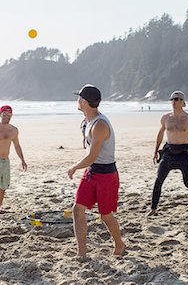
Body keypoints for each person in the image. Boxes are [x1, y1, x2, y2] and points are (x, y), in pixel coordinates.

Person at [68, 84, 126, 258]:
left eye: (79, 98)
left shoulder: (100, 126)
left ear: (84, 102)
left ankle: (120, 245)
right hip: (92, 172)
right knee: (77, 210)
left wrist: (73, 167)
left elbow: (91, 157)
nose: (77, 100)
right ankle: (82, 254)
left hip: (106, 175)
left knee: (106, 216)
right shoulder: (88, 121)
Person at [148, 91, 188, 216]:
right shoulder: (166, 118)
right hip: (169, 152)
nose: (174, 101)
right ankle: (153, 209)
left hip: (184, 152)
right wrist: (155, 151)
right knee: (158, 180)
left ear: (183, 102)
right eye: (172, 99)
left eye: (177, 99)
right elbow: (160, 134)